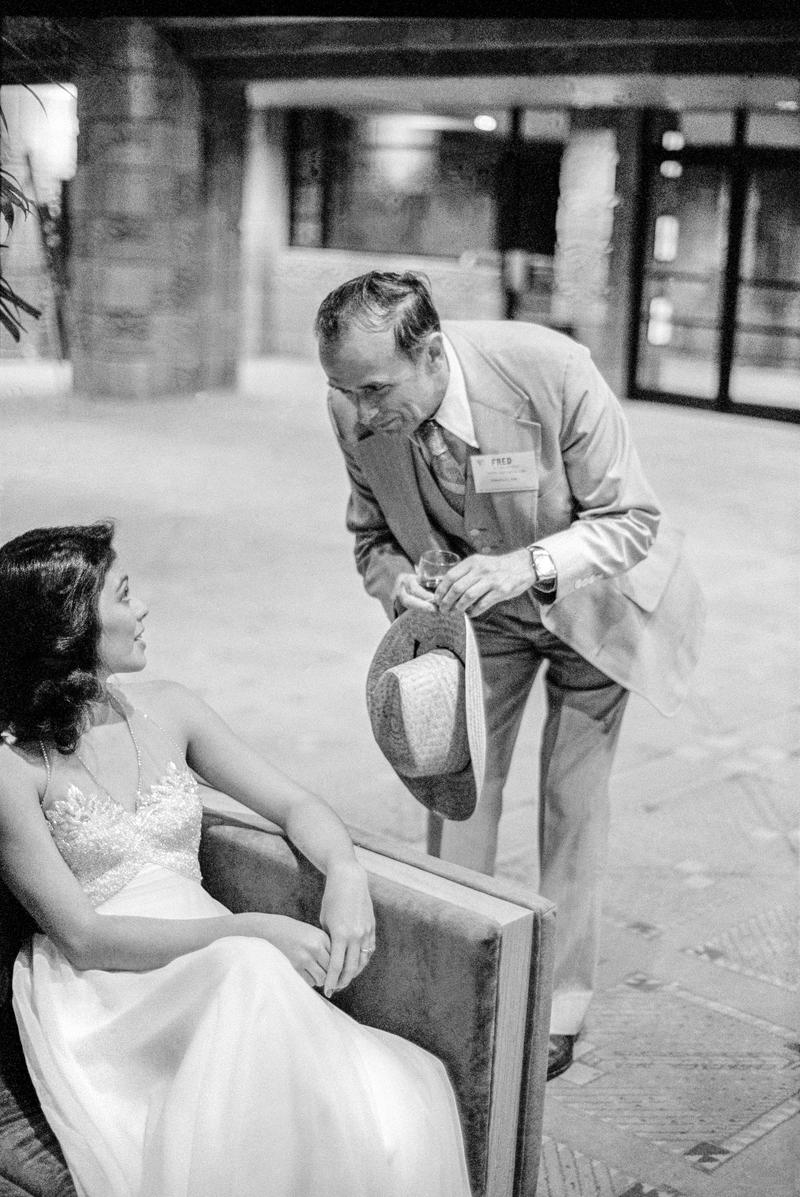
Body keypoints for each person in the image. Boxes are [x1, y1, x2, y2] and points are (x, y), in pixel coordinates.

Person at [0, 521, 471, 1197]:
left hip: (218, 967)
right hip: (109, 988)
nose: (144, 609)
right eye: (124, 594)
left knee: (395, 1097)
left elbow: (296, 803)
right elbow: (82, 936)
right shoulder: (13, 763)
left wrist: (345, 871)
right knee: (251, 970)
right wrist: (248, 929)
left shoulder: (169, 708)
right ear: (68, 627)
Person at [316, 271, 705, 1080]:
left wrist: (527, 563)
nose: (360, 413)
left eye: (374, 390)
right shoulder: (355, 406)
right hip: (477, 617)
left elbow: (632, 518)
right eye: (344, 393)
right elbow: (369, 539)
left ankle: (560, 1004)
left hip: (593, 606)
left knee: (572, 801)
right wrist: (399, 584)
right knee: (455, 792)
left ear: (429, 352)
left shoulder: (552, 369)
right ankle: (460, 967)